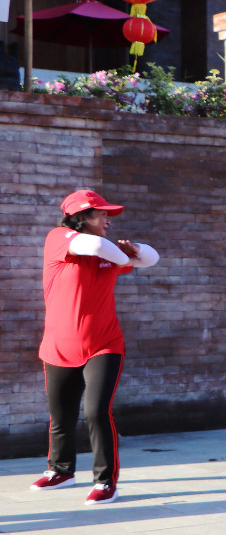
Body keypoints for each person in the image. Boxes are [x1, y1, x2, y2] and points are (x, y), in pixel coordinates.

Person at [33, 190, 159, 505]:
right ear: (81, 217)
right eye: (101, 214)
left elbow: (152, 259)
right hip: (58, 346)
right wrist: (123, 257)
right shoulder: (58, 238)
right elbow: (96, 246)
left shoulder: (108, 254)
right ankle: (61, 471)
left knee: (96, 411)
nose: (107, 220)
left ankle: (105, 482)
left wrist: (135, 250)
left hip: (104, 344)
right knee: (60, 415)